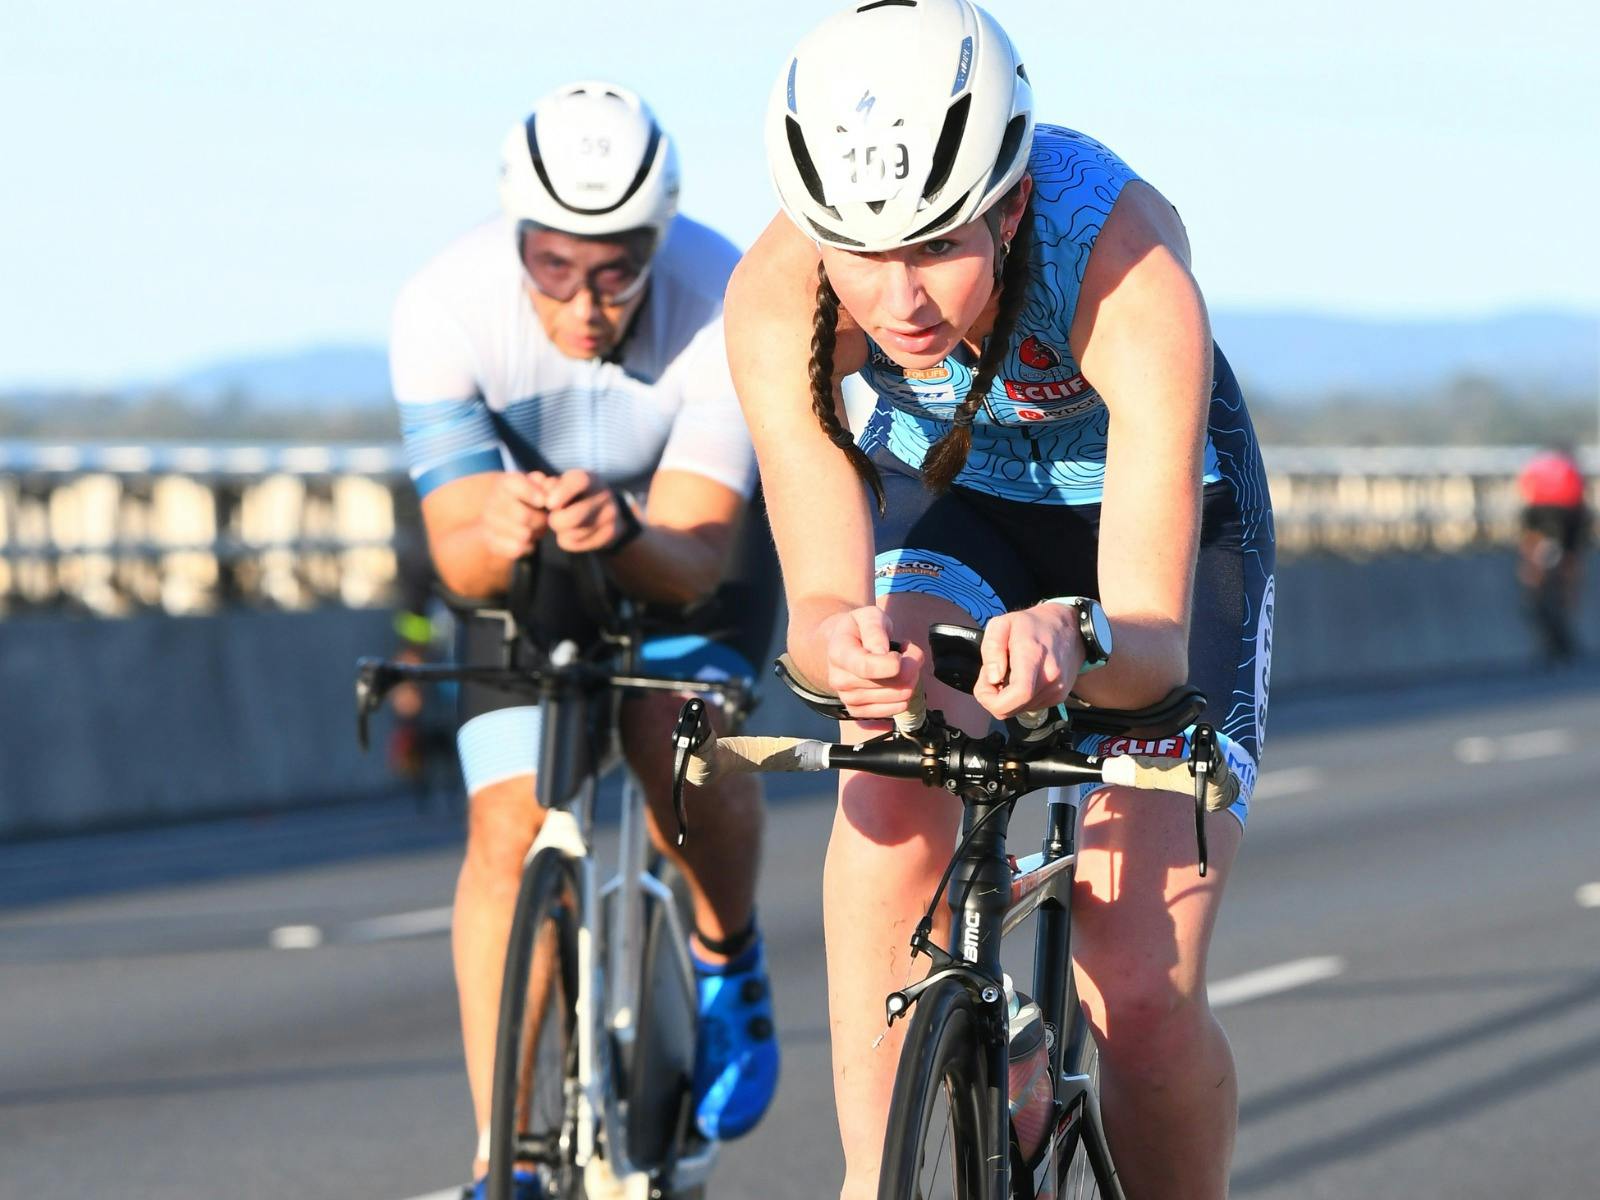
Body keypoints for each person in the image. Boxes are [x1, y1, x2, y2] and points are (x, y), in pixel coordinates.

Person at [723, 2, 1274, 1196]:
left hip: (1152, 549)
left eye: (936, 247)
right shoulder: (776, 298)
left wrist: (1072, 641)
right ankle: (879, 1176)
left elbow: (1146, 643)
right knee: (885, 752)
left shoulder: (1121, 260)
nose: (898, 298)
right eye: (861, 254)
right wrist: (846, 654)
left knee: (1137, 990)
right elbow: (819, 608)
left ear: (1011, 203)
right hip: (965, 508)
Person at [389, 81, 780, 1200]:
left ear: (659, 243)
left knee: (678, 736)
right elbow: (456, 560)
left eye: (615, 268)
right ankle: (500, 1154)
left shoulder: (722, 298)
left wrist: (619, 530)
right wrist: (497, 532)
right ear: (516, 235)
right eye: (551, 263)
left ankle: (726, 956)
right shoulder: (445, 305)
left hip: (682, 548)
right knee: (506, 830)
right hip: (536, 575)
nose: (585, 299)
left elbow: (699, 555)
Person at [1516, 445, 1590, 662]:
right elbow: (1581, 500)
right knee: (1571, 561)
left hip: (1537, 515)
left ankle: (1530, 578)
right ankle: (1568, 593)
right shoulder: (1570, 467)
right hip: (1568, 517)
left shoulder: (1537, 464)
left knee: (1531, 552)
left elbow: (1525, 493)